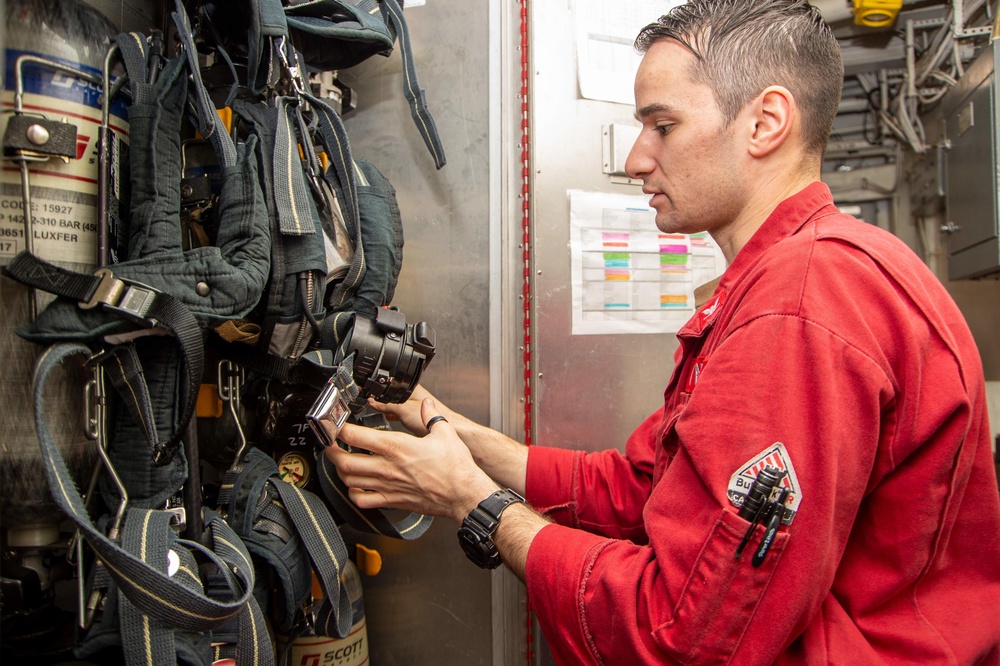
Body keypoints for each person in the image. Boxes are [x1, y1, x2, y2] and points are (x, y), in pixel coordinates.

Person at [324, 0, 1000, 663]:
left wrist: (473, 502)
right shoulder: (805, 271)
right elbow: (643, 490)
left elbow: (685, 635)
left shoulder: (800, 304)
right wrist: (456, 432)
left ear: (765, 122)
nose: (638, 158)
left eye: (663, 126)